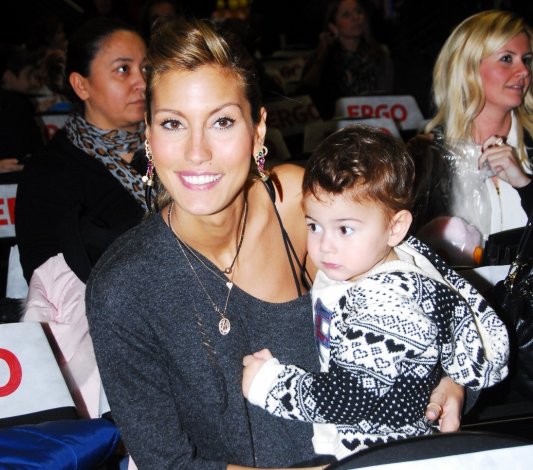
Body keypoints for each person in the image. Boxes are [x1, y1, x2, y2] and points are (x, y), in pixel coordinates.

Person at [86, 17, 466, 469]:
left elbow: (430, 300)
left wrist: (452, 379)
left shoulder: (301, 208)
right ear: (148, 136)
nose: (197, 152)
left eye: (222, 122)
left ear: (258, 131)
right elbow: (167, 464)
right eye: (173, 124)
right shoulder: (124, 286)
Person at [242, 125, 509, 460]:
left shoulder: (388, 303)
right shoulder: (368, 262)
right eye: (314, 225)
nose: (325, 245)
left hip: (386, 455)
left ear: (395, 228)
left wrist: (269, 384)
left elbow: (350, 398)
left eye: (345, 229)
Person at [16, 17, 148, 419]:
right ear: (81, 85)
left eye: (146, 68)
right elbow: (51, 285)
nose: (142, 82)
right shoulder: (51, 172)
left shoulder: (176, 148)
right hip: (109, 354)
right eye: (123, 69)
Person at [408, 10, 533, 268]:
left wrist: (524, 184)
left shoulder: (530, 144)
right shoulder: (429, 154)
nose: (523, 71)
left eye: (527, 60)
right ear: (468, 67)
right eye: (506, 59)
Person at [300, 0, 394, 119]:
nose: (356, 17)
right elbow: (305, 94)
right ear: (333, 26)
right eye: (346, 15)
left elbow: (388, 95)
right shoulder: (324, 56)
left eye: (358, 12)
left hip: (376, 120)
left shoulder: (380, 54)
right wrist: (322, 55)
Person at [0, 43, 45, 173]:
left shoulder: (19, 104)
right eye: (29, 75)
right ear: (8, 76)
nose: (33, 81)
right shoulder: (18, 104)